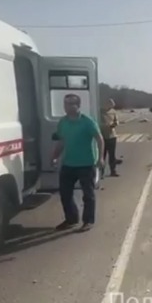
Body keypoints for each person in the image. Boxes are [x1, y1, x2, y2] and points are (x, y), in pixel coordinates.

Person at [51, 94, 104, 231]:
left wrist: (100, 158)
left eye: (70, 104)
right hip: (68, 163)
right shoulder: (63, 122)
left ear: (78, 105)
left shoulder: (87, 122)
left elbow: (99, 139)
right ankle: (71, 219)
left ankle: (88, 221)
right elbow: (62, 141)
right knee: (65, 193)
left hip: (86, 164)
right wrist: (55, 156)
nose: (67, 107)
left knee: (88, 194)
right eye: (65, 104)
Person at [100, 98, 119, 177]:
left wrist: (115, 124)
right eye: (110, 105)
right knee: (102, 155)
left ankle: (113, 171)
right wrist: (105, 126)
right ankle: (101, 172)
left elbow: (116, 121)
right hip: (103, 136)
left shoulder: (113, 112)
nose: (111, 107)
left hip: (112, 136)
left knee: (112, 155)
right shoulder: (100, 112)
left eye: (112, 105)